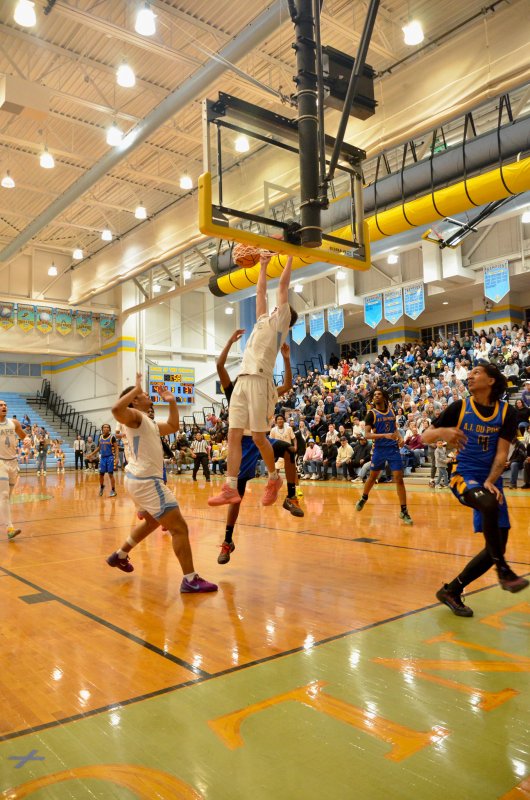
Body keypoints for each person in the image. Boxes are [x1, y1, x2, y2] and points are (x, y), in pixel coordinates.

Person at [423, 363, 528, 617]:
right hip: (464, 475)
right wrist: (442, 431)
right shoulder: (459, 407)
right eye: (469, 374)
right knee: (489, 507)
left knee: (497, 545)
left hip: (491, 478)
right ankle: (502, 569)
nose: (469, 376)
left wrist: (492, 480)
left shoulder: (506, 413)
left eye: (476, 373)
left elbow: (502, 453)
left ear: (491, 380)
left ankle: (452, 590)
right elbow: (425, 437)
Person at [107, 374, 217, 593]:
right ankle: (190, 579)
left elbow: (173, 425)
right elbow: (116, 410)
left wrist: (173, 402)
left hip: (137, 480)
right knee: (179, 528)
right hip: (147, 482)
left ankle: (119, 555)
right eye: (144, 394)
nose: (149, 395)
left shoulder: (146, 422)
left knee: (152, 523)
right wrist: (135, 388)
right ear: (135, 401)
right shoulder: (134, 416)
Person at [208, 252, 297, 507]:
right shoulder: (261, 321)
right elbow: (260, 294)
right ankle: (230, 486)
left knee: (259, 438)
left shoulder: (280, 324)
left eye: (280, 307)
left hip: (261, 381)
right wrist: (263, 265)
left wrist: (290, 257)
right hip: (243, 380)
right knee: (233, 435)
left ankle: (273, 478)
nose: (274, 307)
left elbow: (282, 286)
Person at [214, 330, 303, 565]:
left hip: (261, 440)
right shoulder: (235, 390)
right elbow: (220, 366)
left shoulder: (267, 390)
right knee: (236, 497)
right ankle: (227, 541)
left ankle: (291, 498)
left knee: (289, 450)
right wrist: (229, 341)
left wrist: (285, 357)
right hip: (241, 447)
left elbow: (287, 384)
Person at [355, 389, 413, 525]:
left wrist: (400, 438)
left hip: (393, 449)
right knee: (373, 476)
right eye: (374, 394)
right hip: (379, 450)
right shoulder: (371, 414)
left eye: (379, 394)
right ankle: (364, 497)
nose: (376, 396)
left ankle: (404, 511)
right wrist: (384, 435)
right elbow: (367, 435)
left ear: (384, 397)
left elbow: (395, 429)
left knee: (399, 479)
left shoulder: (392, 411)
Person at [0, 398, 25, 540]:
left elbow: (22, 435)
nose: (4, 407)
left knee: (7, 497)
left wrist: (26, 439)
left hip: (13, 463)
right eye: (0, 405)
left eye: (5, 405)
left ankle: (6, 521)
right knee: (3, 495)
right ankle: (9, 528)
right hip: (0, 463)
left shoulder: (14, 423)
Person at [88, 424, 118, 497]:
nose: (106, 428)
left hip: (110, 457)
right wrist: (91, 454)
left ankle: (113, 490)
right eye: (105, 427)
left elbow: (116, 448)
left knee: (110, 474)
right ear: (102, 429)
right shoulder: (100, 437)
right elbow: (99, 447)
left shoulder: (112, 437)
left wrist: (117, 458)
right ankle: (102, 487)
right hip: (103, 458)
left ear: (109, 429)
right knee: (101, 474)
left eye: (108, 427)